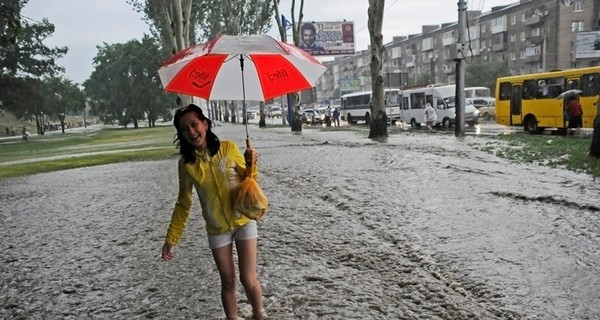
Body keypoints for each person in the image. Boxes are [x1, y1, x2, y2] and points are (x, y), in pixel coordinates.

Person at [161, 104, 265, 320]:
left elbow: (249, 181)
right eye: (184, 128)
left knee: (248, 278)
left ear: (205, 125)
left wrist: (250, 164)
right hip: (217, 229)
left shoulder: (228, 148)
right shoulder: (186, 165)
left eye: (194, 124)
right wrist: (171, 239)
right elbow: (183, 203)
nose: (191, 131)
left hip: (243, 220)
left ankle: (259, 313)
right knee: (228, 281)